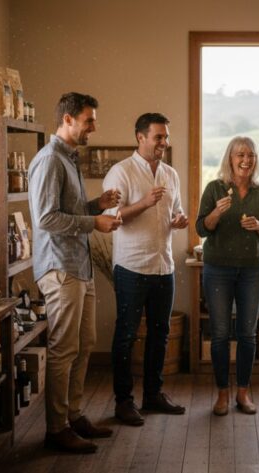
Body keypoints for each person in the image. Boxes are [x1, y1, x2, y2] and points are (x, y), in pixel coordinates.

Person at [28, 92, 122, 453]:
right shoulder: (50, 160)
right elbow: (47, 219)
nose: (94, 127)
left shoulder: (68, 159)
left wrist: (95, 205)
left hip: (78, 267)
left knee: (84, 345)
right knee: (63, 349)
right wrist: (94, 221)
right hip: (60, 268)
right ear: (67, 120)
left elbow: (68, 210)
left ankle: (74, 415)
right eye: (88, 120)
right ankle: (56, 429)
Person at [103, 112, 189, 426]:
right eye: (158, 137)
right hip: (131, 266)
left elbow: (176, 213)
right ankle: (123, 402)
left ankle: (153, 395)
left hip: (163, 266)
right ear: (140, 138)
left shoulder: (171, 174)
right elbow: (112, 218)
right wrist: (144, 203)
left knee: (160, 334)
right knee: (126, 335)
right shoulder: (120, 172)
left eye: (166, 137)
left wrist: (180, 221)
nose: (164, 143)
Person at [195, 136, 259, 416]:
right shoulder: (215, 188)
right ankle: (222, 394)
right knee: (219, 334)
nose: (246, 160)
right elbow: (202, 228)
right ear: (230, 158)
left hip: (252, 269)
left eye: (251, 155)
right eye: (240, 154)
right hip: (217, 268)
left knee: (247, 334)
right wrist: (216, 213)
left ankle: (242, 393)